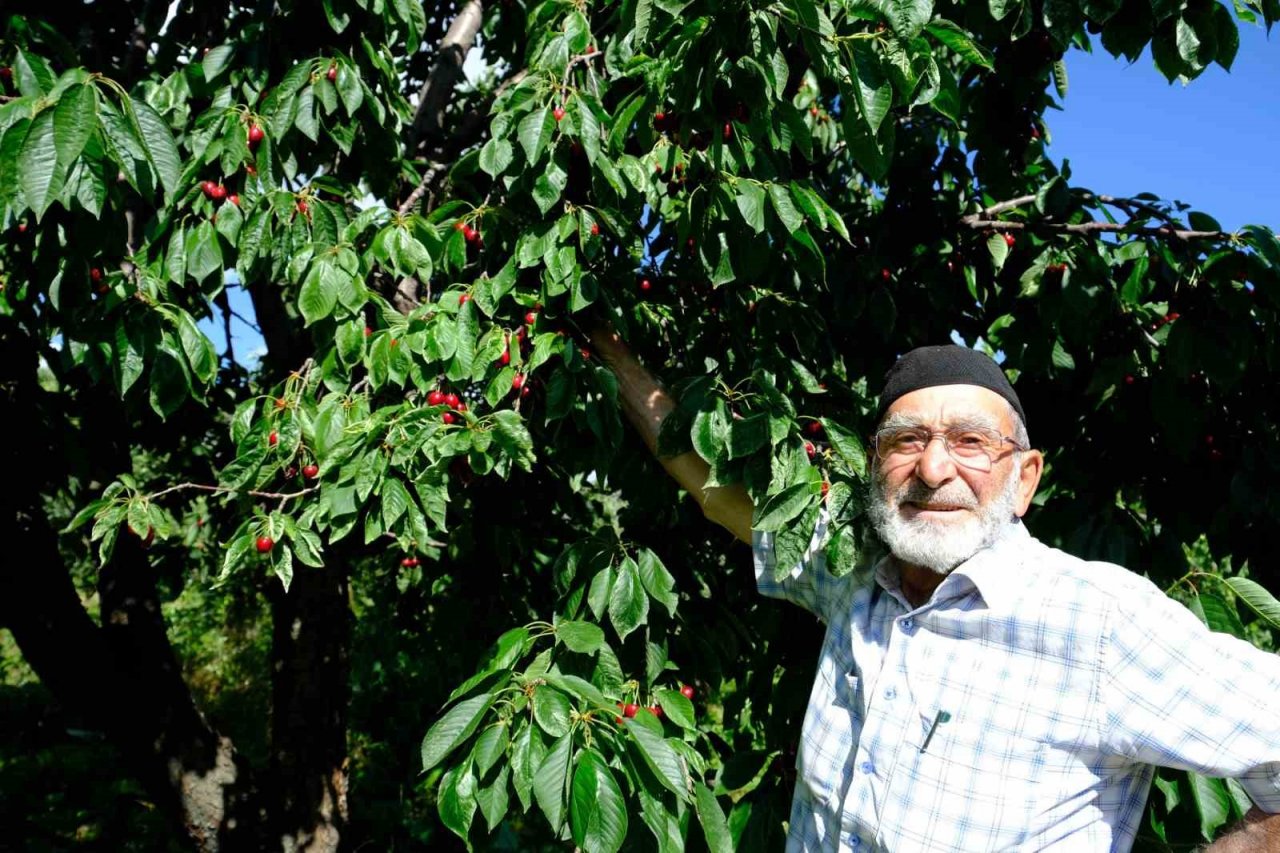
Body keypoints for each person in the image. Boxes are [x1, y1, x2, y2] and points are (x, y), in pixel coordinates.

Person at [589, 328, 1280, 852]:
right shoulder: (851, 573)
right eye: (905, 439)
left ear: (1027, 478)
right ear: (873, 465)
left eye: (972, 441)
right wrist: (603, 349)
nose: (934, 466)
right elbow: (716, 494)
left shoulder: (1097, 622)